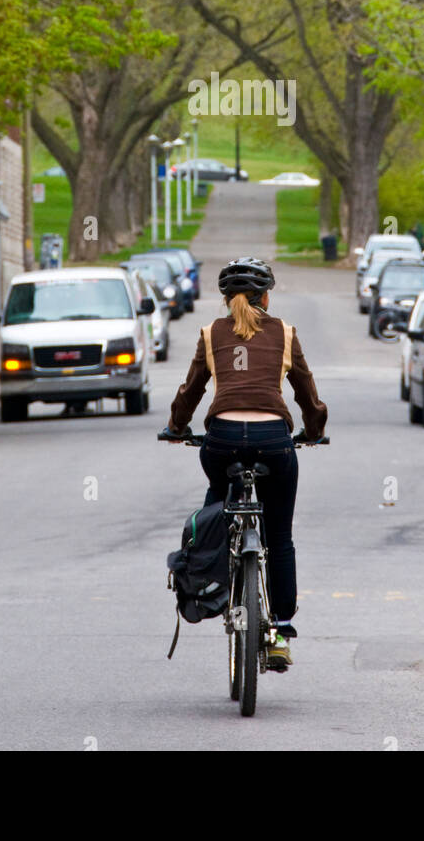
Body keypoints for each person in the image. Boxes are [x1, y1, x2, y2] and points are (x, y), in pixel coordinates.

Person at [164, 256, 327, 671]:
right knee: (280, 537)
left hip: (221, 443)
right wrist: (312, 430)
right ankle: (280, 630)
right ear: (266, 296)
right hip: (274, 441)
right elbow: (307, 393)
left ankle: (213, 584)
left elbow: (191, 391)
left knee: (217, 508)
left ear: (224, 299)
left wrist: (177, 426)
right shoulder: (285, 333)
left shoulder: (210, 332)